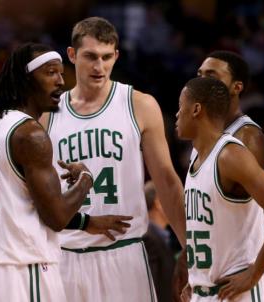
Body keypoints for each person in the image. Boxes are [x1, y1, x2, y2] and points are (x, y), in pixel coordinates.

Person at [0, 43, 131, 302]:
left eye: (61, 74)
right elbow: (55, 217)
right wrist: (86, 179)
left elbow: (20, 206)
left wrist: (86, 223)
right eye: (50, 73)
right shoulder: (30, 134)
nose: (60, 82)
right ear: (25, 79)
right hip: (23, 268)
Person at [41, 17, 186, 301]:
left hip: (125, 252)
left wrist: (187, 246)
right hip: (66, 255)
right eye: (90, 56)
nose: (99, 66)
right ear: (72, 55)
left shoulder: (140, 105)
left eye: (107, 57)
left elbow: (166, 180)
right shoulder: (47, 114)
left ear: (116, 56)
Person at [177, 76, 264, 301]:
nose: (176, 115)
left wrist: (255, 273)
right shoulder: (198, 158)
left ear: (196, 109)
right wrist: (198, 280)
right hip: (210, 291)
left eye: (180, 107)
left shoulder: (230, 155)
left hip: (241, 292)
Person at [142, 181, 176, 302]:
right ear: (158, 203)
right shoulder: (147, 238)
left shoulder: (160, 235)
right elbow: (150, 288)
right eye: (171, 198)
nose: (176, 203)